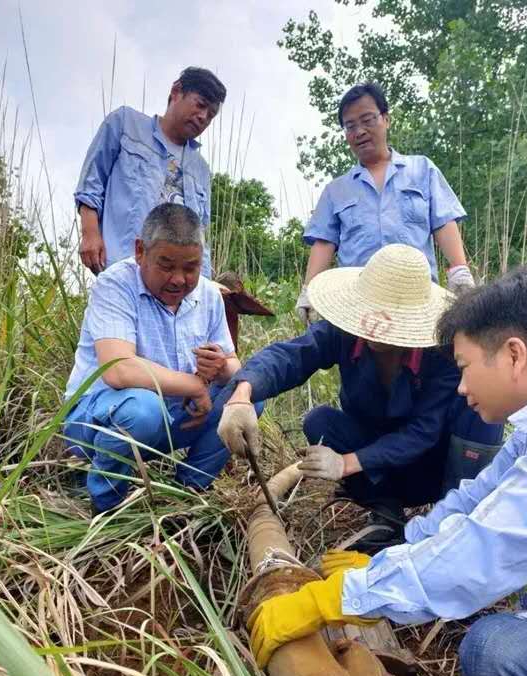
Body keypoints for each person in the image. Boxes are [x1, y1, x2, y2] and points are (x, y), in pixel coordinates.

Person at [248, 266, 527, 676]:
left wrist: (339, 597)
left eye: (467, 366)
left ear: (514, 355)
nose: (462, 384)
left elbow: (479, 551)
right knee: (490, 649)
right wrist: (397, 551)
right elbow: (474, 502)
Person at [218, 244, 502, 544]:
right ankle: (385, 512)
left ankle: (452, 526)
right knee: (320, 422)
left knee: (478, 411)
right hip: (376, 464)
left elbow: (422, 433)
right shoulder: (342, 333)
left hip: (428, 466)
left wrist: (347, 463)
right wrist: (242, 394)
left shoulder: (441, 354)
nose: (376, 330)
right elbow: (290, 357)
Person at [63, 203, 247, 513]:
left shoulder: (208, 296)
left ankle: (188, 492)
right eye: (166, 265)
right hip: (98, 420)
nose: (179, 279)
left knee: (247, 396)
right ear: (140, 251)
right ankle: (105, 506)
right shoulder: (115, 285)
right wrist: (195, 385)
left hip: (170, 418)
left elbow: (234, 365)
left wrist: (222, 368)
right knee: (143, 411)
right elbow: (118, 370)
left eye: (191, 267)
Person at [296, 81, 474, 324]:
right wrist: (309, 290)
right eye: (350, 126)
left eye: (368, 120)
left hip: (418, 302)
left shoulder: (422, 170)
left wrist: (459, 270)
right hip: (358, 307)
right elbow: (324, 242)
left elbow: (443, 222)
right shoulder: (335, 190)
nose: (359, 131)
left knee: (423, 361)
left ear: (386, 119)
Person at [75, 66, 226, 278]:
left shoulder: (200, 168)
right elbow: (91, 184)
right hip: (124, 268)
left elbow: (200, 232)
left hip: (178, 286)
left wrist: (207, 285)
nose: (203, 117)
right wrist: (90, 234)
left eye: (210, 115)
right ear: (176, 91)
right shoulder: (125, 124)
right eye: (200, 105)